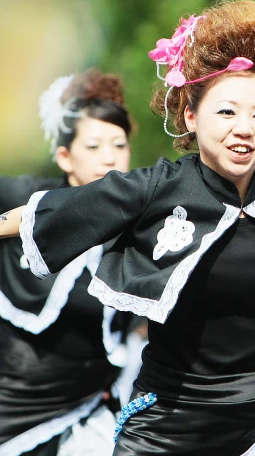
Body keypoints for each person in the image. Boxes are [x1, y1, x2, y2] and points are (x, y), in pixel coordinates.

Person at [0, 0, 255, 456]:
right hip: (163, 427)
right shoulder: (158, 186)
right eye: (227, 112)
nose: (245, 129)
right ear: (191, 117)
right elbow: (53, 211)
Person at [0, 70, 135, 456]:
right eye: (93, 146)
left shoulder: (141, 224)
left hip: (88, 410)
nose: (109, 157)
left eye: (119, 145)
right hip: (9, 406)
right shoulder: (24, 198)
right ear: (65, 156)